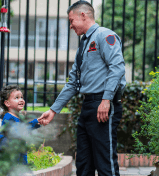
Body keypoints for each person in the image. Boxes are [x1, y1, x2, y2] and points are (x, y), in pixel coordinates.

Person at [38, 1, 126, 175]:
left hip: (103, 105)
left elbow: (117, 68)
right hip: (88, 107)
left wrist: (106, 100)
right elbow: (73, 83)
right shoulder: (83, 45)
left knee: (105, 163)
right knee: (83, 164)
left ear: (83, 15)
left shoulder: (104, 35)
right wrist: (53, 110)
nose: (70, 26)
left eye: (71, 21)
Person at [0, 85, 41, 165]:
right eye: (16, 98)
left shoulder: (18, 117)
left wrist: (37, 122)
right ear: (7, 103)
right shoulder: (8, 117)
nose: (21, 100)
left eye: (21, 97)